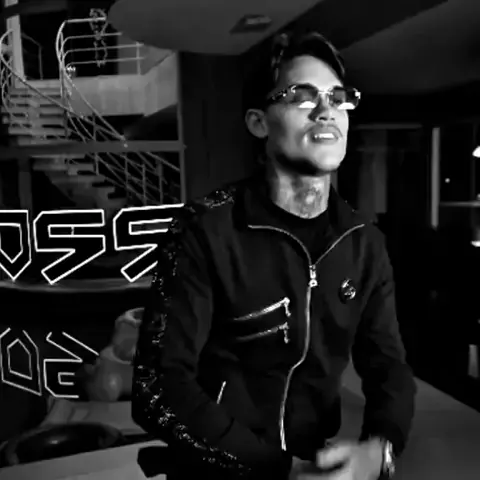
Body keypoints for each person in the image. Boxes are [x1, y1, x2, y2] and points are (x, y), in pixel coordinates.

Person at [132, 30, 416, 480]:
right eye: (302, 96)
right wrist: (278, 470)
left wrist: (380, 449)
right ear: (258, 123)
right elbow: (157, 389)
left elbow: (389, 368)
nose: (326, 110)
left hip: (315, 464)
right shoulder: (204, 230)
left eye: (338, 97)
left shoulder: (363, 242)